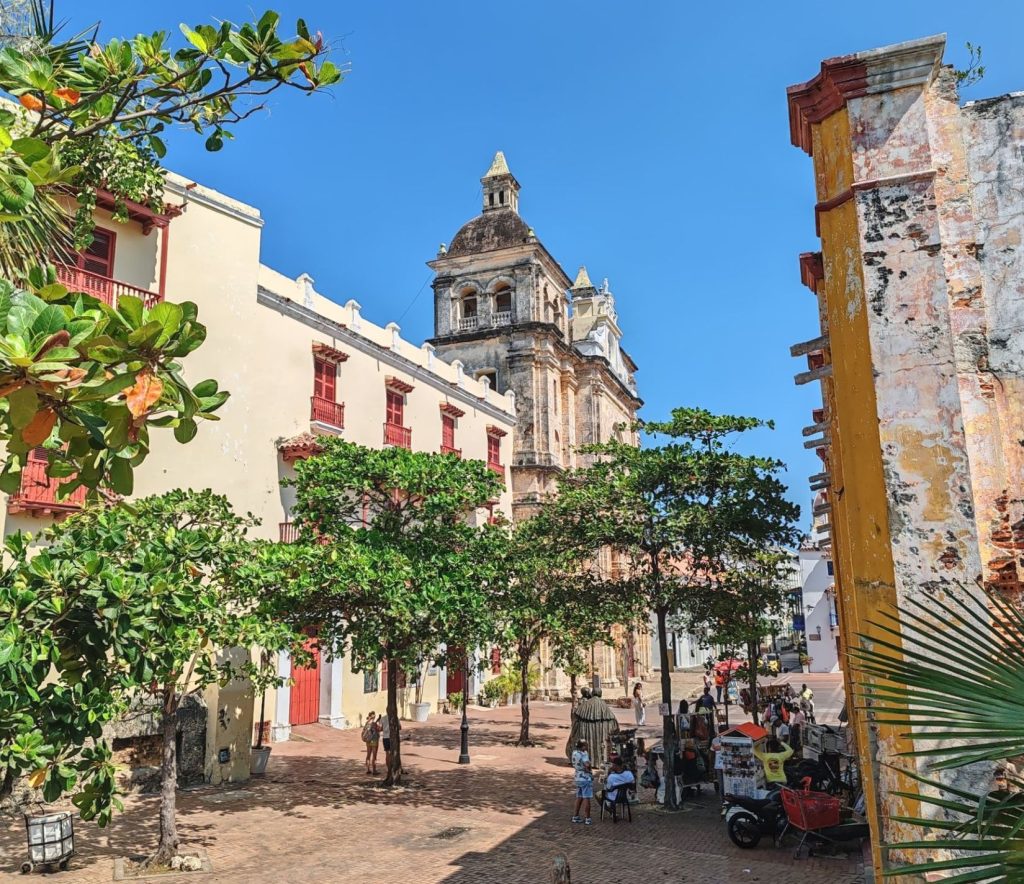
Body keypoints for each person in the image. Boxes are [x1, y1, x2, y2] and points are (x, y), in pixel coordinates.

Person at [565, 686, 620, 768]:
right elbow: (614, 723)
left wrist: (573, 734)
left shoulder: (584, 706)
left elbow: (576, 721)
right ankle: (598, 762)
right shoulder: (605, 707)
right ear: (600, 694)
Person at [570, 739, 594, 825]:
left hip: (577, 777)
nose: (587, 746)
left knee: (579, 797)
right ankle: (588, 818)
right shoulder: (584, 754)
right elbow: (587, 764)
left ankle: (575, 816)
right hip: (585, 778)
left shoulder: (574, 753)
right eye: (586, 745)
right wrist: (589, 769)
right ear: (583, 746)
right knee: (586, 798)